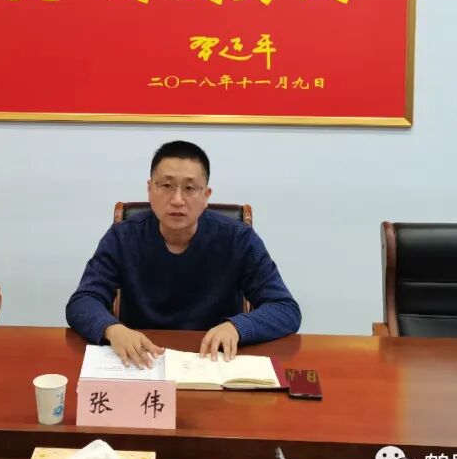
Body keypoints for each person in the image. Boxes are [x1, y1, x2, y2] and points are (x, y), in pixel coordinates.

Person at [65, 140, 300, 367]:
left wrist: (237, 327)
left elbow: (285, 308)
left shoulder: (238, 238)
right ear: (150, 189)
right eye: (166, 186)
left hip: (213, 361)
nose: (177, 200)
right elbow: (83, 300)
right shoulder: (123, 236)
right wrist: (113, 329)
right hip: (143, 360)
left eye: (189, 188)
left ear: (206, 195)